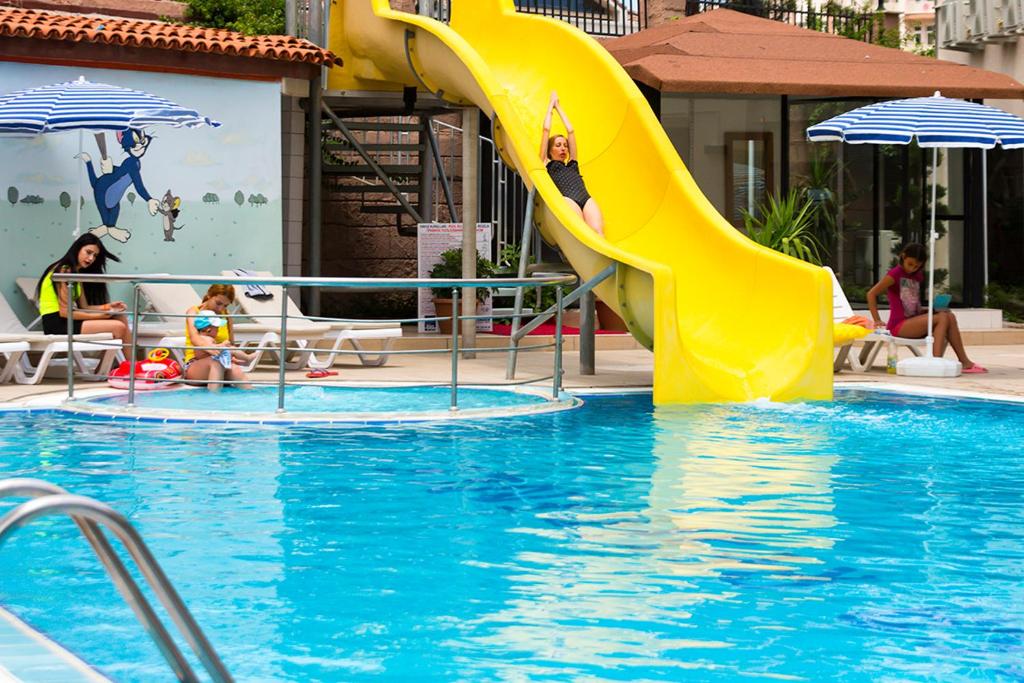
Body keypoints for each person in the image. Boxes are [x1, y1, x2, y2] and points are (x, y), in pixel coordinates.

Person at [867, 243, 987, 373]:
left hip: (913, 321)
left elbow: (912, 304)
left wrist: (930, 311)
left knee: (949, 316)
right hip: (899, 325)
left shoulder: (917, 276)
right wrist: (877, 319)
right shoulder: (895, 274)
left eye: (917, 266)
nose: (912, 268)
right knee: (942, 318)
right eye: (910, 264)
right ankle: (935, 362)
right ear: (903, 256)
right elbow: (871, 294)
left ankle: (965, 362)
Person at [35, 233, 130, 347]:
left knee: (120, 317)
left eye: (95, 255)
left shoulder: (75, 273)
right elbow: (64, 312)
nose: (91, 258)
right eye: (88, 252)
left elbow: (85, 307)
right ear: (77, 248)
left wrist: (108, 307)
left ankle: (132, 359)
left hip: (67, 320)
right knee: (118, 327)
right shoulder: (64, 271)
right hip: (56, 323)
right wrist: (100, 316)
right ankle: (112, 359)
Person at [541, 91, 604, 236]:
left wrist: (559, 107)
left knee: (598, 232)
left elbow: (571, 131)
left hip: (585, 197)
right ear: (550, 151)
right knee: (582, 233)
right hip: (568, 199)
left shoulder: (573, 164)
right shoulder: (546, 164)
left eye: (565, 145)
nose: (563, 148)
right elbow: (546, 130)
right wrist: (551, 106)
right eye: (558, 145)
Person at [183, 285, 255, 390]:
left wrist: (233, 357)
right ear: (209, 296)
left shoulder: (226, 316)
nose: (221, 309)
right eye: (218, 303)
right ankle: (214, 397)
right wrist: (210, 348)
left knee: (236, 370)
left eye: (225, 305)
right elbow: (194, 337)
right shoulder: (194, 312)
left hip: (219, 361)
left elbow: (231, 343)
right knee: (217, 361)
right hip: (196, 365)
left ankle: (253, 396)